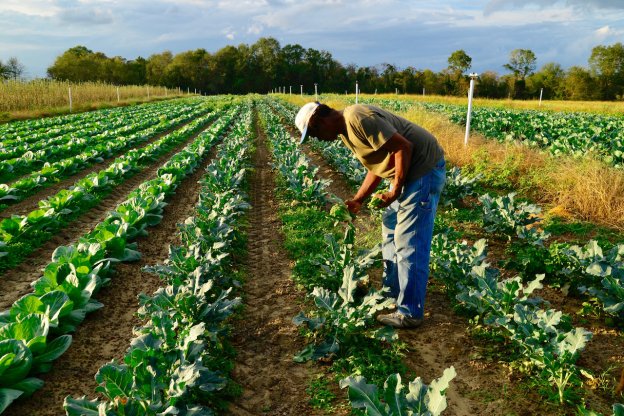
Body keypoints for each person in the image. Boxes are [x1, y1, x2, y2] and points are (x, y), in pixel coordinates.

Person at [295, 101, 446, 328]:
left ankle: (410, 312)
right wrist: (358, 200)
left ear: (319, 120)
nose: (316, 139)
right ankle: (391, 293)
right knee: (390, 233)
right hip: (406, 173)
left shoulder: (357, 118)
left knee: (409, 242)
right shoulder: (345, 131)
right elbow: (377, 166)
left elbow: (403, 147)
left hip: (422, 170)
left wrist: (395, 190)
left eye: (314, 133)